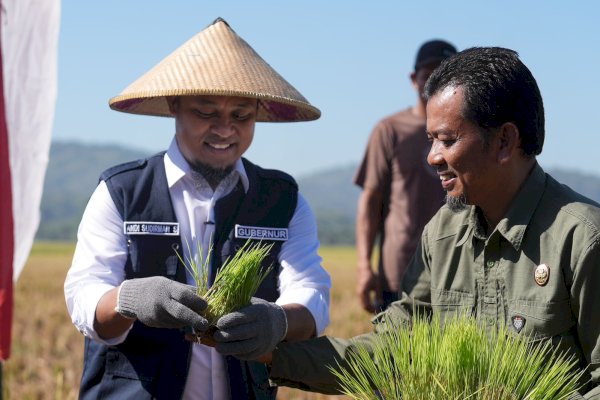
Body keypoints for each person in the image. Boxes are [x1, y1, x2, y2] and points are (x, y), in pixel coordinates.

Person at [235, 47, 600, 398]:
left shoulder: (582, 240)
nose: (432, 157)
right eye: (430, 140)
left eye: (447, 140)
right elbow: (395, 348)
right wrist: (271, 353)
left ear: (504, 140)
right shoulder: (443, 233)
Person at [64, 18, 331, 400]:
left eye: (241, 116)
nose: (225, 130)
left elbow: (312, 295)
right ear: (176, 105)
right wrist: (129, 300)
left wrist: (279, 320)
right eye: (206, 113)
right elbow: (85, 296)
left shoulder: (282, 200)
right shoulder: (121, 192)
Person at [354, 39, 456, 312]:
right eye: (428, 76)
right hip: (399, 272)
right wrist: (365, 266)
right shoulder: (391, 130)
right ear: (414, 79)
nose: (436, 83)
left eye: (446, 76)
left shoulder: (469, 134)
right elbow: (371, 201)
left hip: (456, 273)